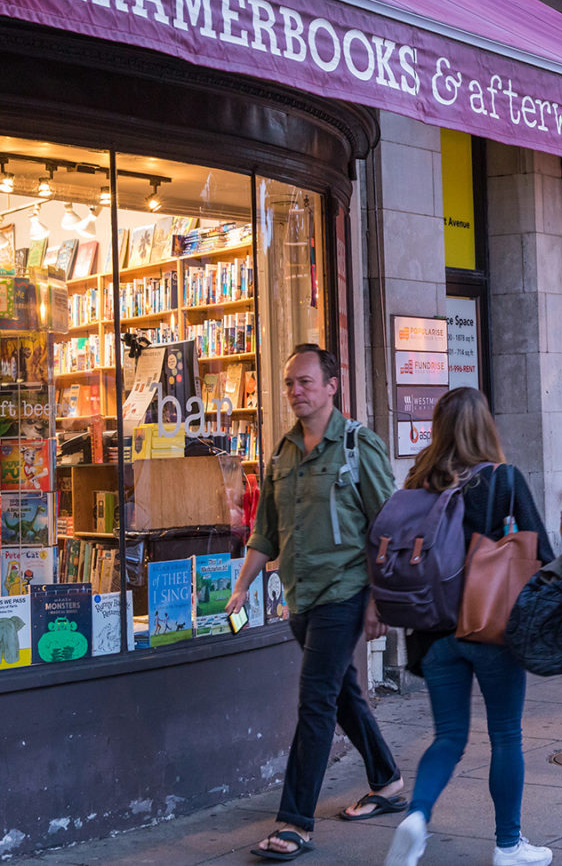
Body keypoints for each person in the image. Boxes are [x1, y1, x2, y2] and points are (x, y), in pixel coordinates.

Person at [229, 344, 404, 861]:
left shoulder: (357, 445)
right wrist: (242, 585)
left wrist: (377, 600)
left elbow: (387, 528)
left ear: (332, 386)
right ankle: (387, 780)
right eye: (288, 384)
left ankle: (294, 822)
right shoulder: (282, 453)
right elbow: (266, 532)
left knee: (315, 700)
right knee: (342, 691)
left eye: (305, 382)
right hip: (300, 597)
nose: (295, 392)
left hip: (344, 592)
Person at [384, 387, 556, 866]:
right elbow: (542, 552)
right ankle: (508, 845)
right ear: (486, 426)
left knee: (449, 736)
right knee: (506, 735)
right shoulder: (504, 479)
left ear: (438, 429)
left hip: (433, 631)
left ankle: (416, 818)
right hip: (492, 628)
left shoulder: (419, 481)